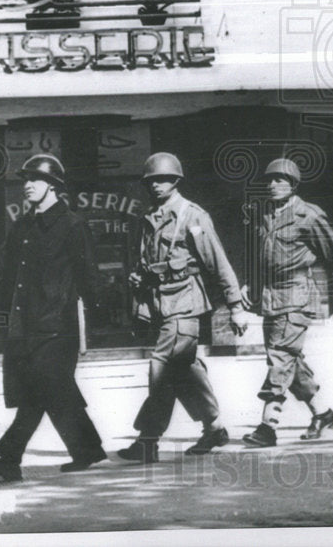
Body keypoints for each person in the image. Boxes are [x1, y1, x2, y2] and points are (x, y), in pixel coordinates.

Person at [0, 154, 106, 482]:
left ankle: (9, 457)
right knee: (47, 390)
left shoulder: (72, 225)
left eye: (34, 180)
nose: (27, 186)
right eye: (25, 180)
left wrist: (102, 317)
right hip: (25, 325)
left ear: (53, 186)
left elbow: (89, 276)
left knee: (41, 387)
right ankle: (87, 450)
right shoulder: (22, 226)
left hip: (57, 328)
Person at [118, 152, 248, 464]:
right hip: (161, 305)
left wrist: (236, 306)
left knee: (161, 366)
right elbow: (150, 261)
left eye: (163, 179)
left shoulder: (192, 216)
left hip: (186, 304)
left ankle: (148, 440)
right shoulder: (151, 217)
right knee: (186, 371)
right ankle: (214, 427)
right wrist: (141, 274)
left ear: (176, 181)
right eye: (151, 181)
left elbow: (218, 263)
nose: (156, 185)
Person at [241, 158, 333, 447]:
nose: (273, 185)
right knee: (290, 361)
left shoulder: (308, 216)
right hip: (272, 298)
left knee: (280, 357)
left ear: (294, 184)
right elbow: (263, 256)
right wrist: (251, 281)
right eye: (270, 180)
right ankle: (322, 413)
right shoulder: (266, 215)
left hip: (296, 297)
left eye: (280, 180)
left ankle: (267, 426)